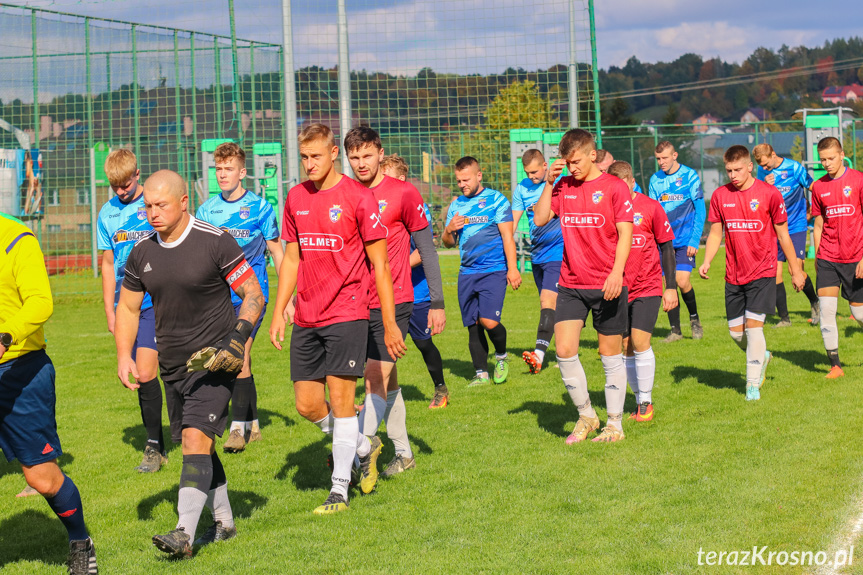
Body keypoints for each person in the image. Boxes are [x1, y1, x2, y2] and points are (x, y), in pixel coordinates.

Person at [116, 170, 265, 557]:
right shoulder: (142, 252)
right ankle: (225, 523)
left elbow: (253, 292)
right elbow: (129, 308)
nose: (152, 212)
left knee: (196, 440)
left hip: (216, 360)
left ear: (184, 201)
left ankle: (183, 532)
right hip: (173, 366)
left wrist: (238, 337)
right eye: (147, 205)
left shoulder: (214, 242)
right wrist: (123, 353)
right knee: (195, 444)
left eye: (161, 204)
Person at [269, 123, 406, 514]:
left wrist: (391, 321)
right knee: (308, 405)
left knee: (344, 400)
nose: (309, 164)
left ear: (332, 154)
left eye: (316, 156)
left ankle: (339, 491)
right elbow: (292, 259)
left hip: (348, 312)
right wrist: (280, 310)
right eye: (304, 157)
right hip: (308, 315)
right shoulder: (295, 198)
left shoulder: (358, 198)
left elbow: (380, 266)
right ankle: (364, 446)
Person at [0, 213, 98, 574]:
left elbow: (41, 302)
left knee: (41, 477)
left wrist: (4, 336)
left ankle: (79, 541)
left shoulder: (16, 239)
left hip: (18, 370)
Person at [344, 127, 445, 479]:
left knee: (374, 378)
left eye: (367, 155)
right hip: (355, 302)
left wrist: (437, 300)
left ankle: (350, 452)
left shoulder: (403, 193)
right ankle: (403, 454)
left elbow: (428, 249)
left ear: (380, 154)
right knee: (389, 382)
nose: (360, 163)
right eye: (353, 157)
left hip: (397, 299)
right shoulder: (345, 193)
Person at [533, 128, 634, 444]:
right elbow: (539, 219)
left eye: (575, 161)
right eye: (566, 162)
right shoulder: (563, 185)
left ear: (592, 154)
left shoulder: (614, 187)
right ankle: (587, 416)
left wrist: (617, 273)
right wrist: (549, 182)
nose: (571, 167)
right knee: (564, 350)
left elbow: (626, 234)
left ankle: (614, 424)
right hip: (571, 283)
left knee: (609, 354)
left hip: (607, 284)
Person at [196, 142, 284, 453]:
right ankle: (254, 423)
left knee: (238, 355)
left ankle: (236, 430)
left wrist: (286, 298)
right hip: (220, 299)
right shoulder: (206, 211)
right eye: (218, 169)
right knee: (238, 359)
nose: (222, 174)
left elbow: (276, 252)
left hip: (252, 296)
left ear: (242, 172)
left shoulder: (261, 208)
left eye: (228, 169)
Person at [699, 146, 805, 401]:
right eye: (728, 171)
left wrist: (795, 269)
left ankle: (751, 385)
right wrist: (707, 260)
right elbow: (716, 232)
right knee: (737, 333)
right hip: (733, 274)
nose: (733, 175)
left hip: (763, 271)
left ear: (750, 167)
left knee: (754, 329)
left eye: (737, 170)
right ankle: (761, 356)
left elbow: (783, 235)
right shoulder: (720, 195)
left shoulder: (769, 194)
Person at [97, 149, 174, 473]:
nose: (120, 192)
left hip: (158, 300)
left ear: (137, 175)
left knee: (150, 371)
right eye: (115, 187)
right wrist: (111, 312)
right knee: (142, 376)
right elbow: (107, 263)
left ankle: (161, 442)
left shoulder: (153, 205)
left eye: (125, 185)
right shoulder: (107, 213)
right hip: (128, 304)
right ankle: (156, 443)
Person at [607, 161, 678, 422]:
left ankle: (645, 401)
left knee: (639, 340)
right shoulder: (606, 209)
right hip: (617, 287)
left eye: (622, 186)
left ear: (632, 182)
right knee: (624, 345)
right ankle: (638, 399)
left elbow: (667, 247)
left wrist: (670, 287)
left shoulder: (651, 207)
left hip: (648, 285)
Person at [442, 156, 521, 387]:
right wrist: (449, 229)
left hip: (494, 270)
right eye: (458, 180)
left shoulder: (496, 200)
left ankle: (502, 357)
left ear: (479, 175)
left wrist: (513, 269)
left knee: (488, 320)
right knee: (473, 324)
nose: (462, 184)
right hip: (467, 272)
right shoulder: (456, 206)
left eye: (465, 179)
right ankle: (481, 375)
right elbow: (448, 243)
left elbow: (508, 237)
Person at [381, 154, 450, 409]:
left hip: (416, 293)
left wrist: (390, 268)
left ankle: (440, 388)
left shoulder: (414, 205)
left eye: (385, 177)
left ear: (401, 180)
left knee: (423, 344)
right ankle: (377, 396)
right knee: (381, 350)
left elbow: (423, 252)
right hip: (387, 294)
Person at [809, 137, 863, 378]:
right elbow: (819, 224)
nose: (827, 163)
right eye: (823, 159)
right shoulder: (818, 187)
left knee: (860, 314)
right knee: (827, 310)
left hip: (856, 257)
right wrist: (817, 255)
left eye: (831, 158)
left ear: (842, 155)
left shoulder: (859, 180)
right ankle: (835, 365)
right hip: (828, 258)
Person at [753, 143, 819, 326]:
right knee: (775, 273)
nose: (765, 168)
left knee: (795, 270)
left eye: (767, 164)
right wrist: (764, 185)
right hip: (774, 227)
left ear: (773, 154)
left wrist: (820, 205)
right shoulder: (762, 172)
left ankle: (815, 301)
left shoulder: (794, 167)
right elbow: (758, 195)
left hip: (795, 226)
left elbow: (813, 186)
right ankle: (784, 319)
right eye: (762, 166)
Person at [511, 149, 564, 374]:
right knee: (554, 306)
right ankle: (566, 350)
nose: (532, 176)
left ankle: (539, 355)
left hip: (559, 252)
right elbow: (512, 223)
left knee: (547, 301)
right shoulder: (522, 188)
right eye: (527, 172)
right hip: (538, 254)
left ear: (545, 165)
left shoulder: (559, 182)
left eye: (535, 171)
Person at [649, 141, 706, 341]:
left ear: (675, 156)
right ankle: (675, 331)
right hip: (664, 242)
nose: (661, 162)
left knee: (682, 281)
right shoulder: (655, 180)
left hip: (684, 240)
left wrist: (695, 239)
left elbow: (700, 209)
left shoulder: (689, 176)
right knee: (669, 283)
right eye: (658, 159)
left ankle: (694, 319)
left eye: (665, 158)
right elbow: (653, 212)